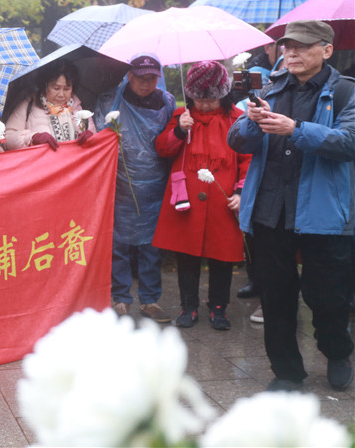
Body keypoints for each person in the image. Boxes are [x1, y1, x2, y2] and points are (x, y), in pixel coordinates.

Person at [228, 20, 355, 392]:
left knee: (327, 296)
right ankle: (287, 372)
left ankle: (337, 351)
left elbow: (348, 143)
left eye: (302, 46)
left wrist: (295, 129)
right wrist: (252, 122)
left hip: (323, 213)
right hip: (271, 209)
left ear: (327, 50)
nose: (292, 53)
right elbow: (237, 141)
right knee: (276, 297)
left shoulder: (345, 92)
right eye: (287, 46)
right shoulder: (270, 87)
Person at [152, 61, 251, 330]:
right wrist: (179, 130)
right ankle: (189, 306)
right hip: (187, 200)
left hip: (223, 200)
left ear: (224, 94)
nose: (205, 104)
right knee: (186, 257)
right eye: (199, 99)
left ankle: (219, 307)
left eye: (211, 99)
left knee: (222, 257)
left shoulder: (236, 119)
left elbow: (248, 158)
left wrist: (241, 190)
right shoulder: (182, 115)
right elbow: (163, 148)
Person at [93, 54, 177, 323]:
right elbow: (97, 135)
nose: (146, 83)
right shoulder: (110, 100)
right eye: (141, 78)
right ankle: (120, 297)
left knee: (151, 245)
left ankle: (150, 299)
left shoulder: (167, 101)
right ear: (129, 76)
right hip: (119, 181)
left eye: (152, 78)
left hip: (154, 184)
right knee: (118, 242)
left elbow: (170, 138)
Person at [4, 60, 94, 151]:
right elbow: (7, 138)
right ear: (45, 86)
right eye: (56, 88)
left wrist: (91, 137)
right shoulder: (28, 105)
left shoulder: (79, 109)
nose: (61, 94)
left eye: (66, 89)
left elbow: (94, 138)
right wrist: (32, 138)